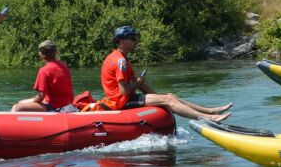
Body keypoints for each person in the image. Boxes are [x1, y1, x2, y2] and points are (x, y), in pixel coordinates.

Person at [95, 26, 231, 121]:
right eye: (133, 38)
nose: (136, 41)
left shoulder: (121, 58)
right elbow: (124, 92)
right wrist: (139, 83)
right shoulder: (120, 61)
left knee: (169, 96)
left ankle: (210, 111)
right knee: (169, 99)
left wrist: (157, 97)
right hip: (120, 102)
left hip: (124, 99)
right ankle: (210, 118)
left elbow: (142, 86)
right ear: (122, 41)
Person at [11, 40, 75, 112]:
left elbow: (41, 96)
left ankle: (10, 122)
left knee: (17, 107)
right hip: (66, 103)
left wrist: (33, 104)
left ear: (41, 55)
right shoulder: (63, 66)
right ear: (55, 52)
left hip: (56, 106)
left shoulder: (44, 70)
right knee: (21, 102)